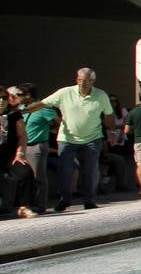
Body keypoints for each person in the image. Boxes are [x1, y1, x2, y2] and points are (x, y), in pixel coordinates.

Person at [22, 68, 114, 211]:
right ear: (76, 79)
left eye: (87, 81)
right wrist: (23, 110)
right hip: (67, 138)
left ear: (93, 81)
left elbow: (109, 114)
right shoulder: (64, 93)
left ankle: (89, 200)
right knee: (65, 170)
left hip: (92, 138)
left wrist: (111, 131)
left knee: (90, 170)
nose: (83, 83)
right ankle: (65, 199)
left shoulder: (101, 95)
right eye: (81, 80)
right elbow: (43, 103)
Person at [18, 82, 57, 213]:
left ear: (28, 95)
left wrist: (51, 131)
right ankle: (23, 204)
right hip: (21, 147)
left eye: (20, 94)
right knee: (22, 176)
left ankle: (40, 205)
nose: (17, 96)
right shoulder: (20, 108)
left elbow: (58, 122)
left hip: (36, 146)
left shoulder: (43, 108)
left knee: (38, 177)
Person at [2, 85, 37, 218]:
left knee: (25, 171)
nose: (1, 101)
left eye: (4, 98)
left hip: (10, 155)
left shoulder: (13, 115)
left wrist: (20, 153)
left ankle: (23, 206)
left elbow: (22, 136)